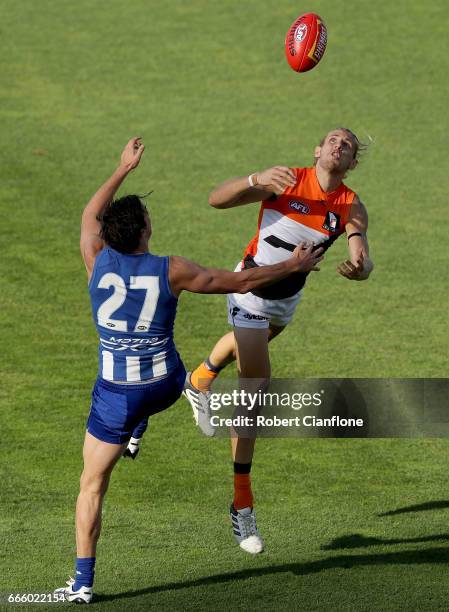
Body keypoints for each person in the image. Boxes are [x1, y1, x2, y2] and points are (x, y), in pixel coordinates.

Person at [55, 137, 324, 603]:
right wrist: (293, 265)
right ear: (145, 230)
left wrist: (121, 170)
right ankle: (189, 390)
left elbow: (87, 217)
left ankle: (82, 584)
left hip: (116, 394)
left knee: (91, 485)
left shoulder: (94, 261)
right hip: (166, 383)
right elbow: (241, 280)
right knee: (186, 371)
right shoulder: (171, 269)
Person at [182, 128, 374, 555]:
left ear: (352, 162)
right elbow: (216, 199)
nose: (338, 145)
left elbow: (361, 246)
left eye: (347, 144)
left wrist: (361, 265)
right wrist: (254, 180)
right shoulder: (284, 181)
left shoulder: (350, 205)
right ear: (317, 150)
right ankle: (242, 505)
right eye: (332, 139)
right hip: (249, 290)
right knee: (255, 388)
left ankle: (198, 380)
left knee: (252, 345)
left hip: (286, 301)